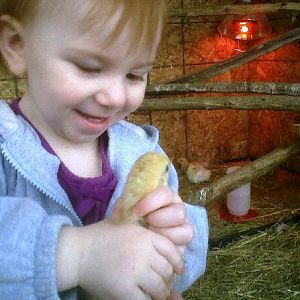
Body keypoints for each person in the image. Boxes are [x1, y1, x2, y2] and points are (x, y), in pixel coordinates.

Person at [0, 0, 209, 299]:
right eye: (90, 68)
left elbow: (183, 265)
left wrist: (173, 242)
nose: (114, 97)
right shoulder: (4, 149)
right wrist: (76, 256)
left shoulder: (141, 152)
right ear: (17, 45)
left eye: (135, 75)